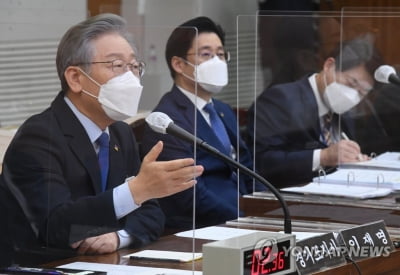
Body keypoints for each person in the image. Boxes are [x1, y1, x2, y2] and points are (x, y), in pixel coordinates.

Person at [0, 13, 203, 257]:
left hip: (108, 262)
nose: (130, 77)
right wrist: (135, 191)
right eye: (117, 66)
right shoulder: (39, 137)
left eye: (134, 66)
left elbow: (151, 213)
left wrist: (119, 237)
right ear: (76, 78)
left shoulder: (121, 132)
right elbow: (54, 225)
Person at [141, 16, 266, 232]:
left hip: (243, 219)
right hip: (202, 228)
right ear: (179, 64)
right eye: (206, 55)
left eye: (220, 54)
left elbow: (246, 168)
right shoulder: (167, 120)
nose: (216, 62)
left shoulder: (223, 109)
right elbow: (190, 196)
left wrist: (267, 209)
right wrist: (244, 219)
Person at [247, 35, 380, 188]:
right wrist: (323, 157)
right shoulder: (280, 99)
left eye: (362, 92)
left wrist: (353, 159)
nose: (353, 95)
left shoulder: (343, 111)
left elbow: (339, 156)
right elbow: (262, 162)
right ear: (329, 66)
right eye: (351, 83)